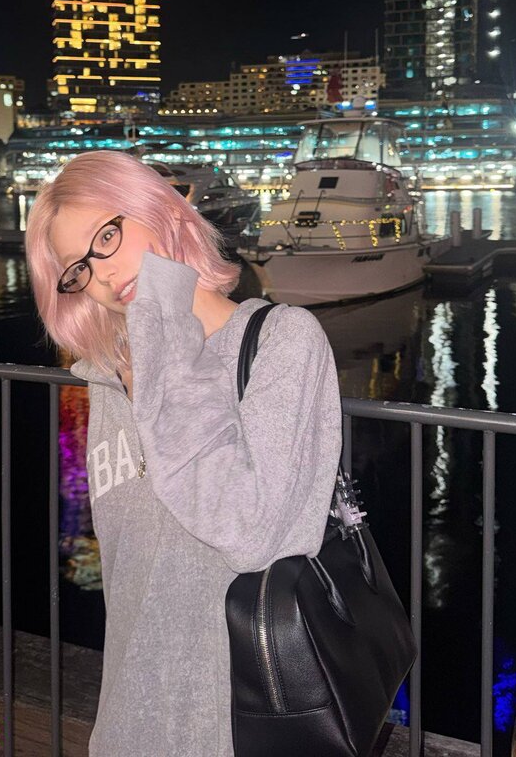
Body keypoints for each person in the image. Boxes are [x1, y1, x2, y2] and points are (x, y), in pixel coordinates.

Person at [26, 151, 341, 757]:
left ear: (163, 212)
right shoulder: (109, 377)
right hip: (131, 713)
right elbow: (131, 571)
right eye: (79, 268)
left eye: (107, 237)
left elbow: (247, 533)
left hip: (245, 717)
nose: (102, 274)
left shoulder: (285, 340)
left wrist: (164, 319)